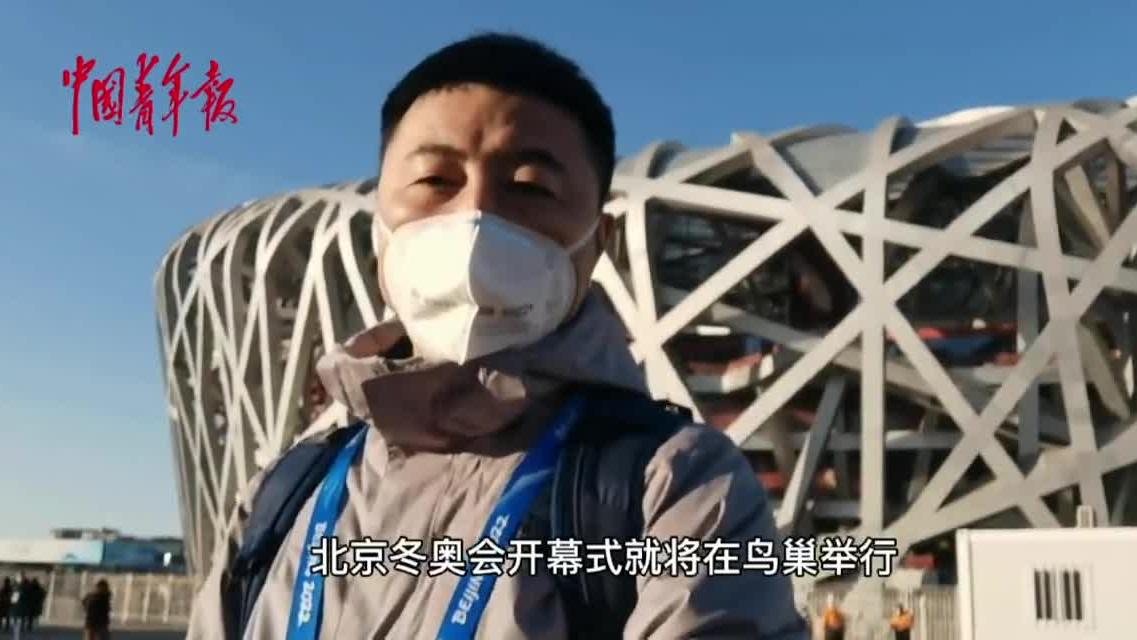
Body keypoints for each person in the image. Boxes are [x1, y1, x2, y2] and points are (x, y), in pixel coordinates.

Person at [186, 32, 806, 640]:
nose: (477, 214)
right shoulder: (286, 495)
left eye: (530, 187)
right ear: (379, 228)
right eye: (435, 180)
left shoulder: (675, 488)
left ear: (599, 243)